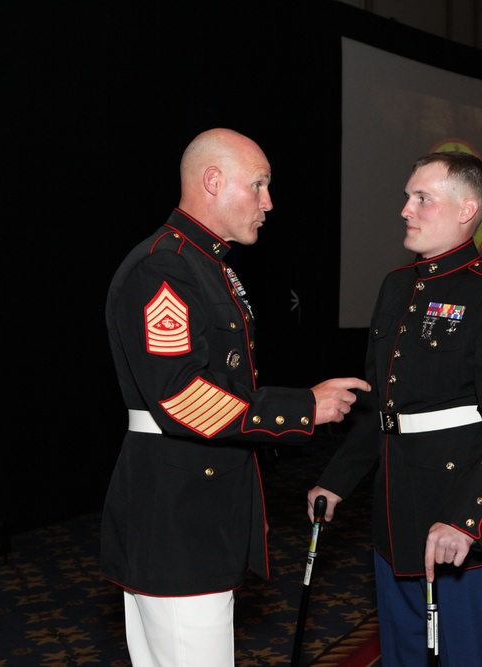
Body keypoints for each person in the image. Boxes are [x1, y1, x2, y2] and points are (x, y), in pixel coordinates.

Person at [102, 127, 370, 667]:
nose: (268, 202)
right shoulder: (166, 267)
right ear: (213, 180)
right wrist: (304, 408)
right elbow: (180, 398)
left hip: (194, 503)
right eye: (259, 185)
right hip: (177, 516)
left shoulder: (206, 264)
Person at [307, 151, 482, 666]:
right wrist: (338, 479)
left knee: (469, 657)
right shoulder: (398, 285)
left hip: (467, 517)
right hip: (398, 511)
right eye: (407, 196)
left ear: (466, 210)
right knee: (404, 656)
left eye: (422, 198)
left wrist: (467, 519)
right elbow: (384, 402)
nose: (406, 209)